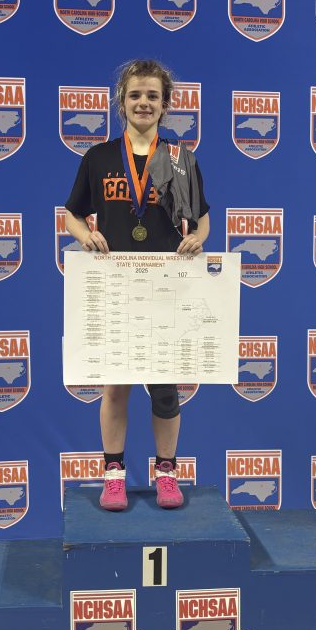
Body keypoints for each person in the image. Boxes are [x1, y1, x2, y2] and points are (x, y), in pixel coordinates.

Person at [63, 59, 210, 511]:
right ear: (121, 102)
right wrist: (84, 236)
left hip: (166, 287)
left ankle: (167, 473)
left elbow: (202, 219)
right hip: (115, 287)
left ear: (165, 105)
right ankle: (113, 475)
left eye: (152, 96)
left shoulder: (180, 160)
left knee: (165, 388)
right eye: (135, 95)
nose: (143, 103)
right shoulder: (99, 158)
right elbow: (71, 214)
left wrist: (197, 239)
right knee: (116, 386)